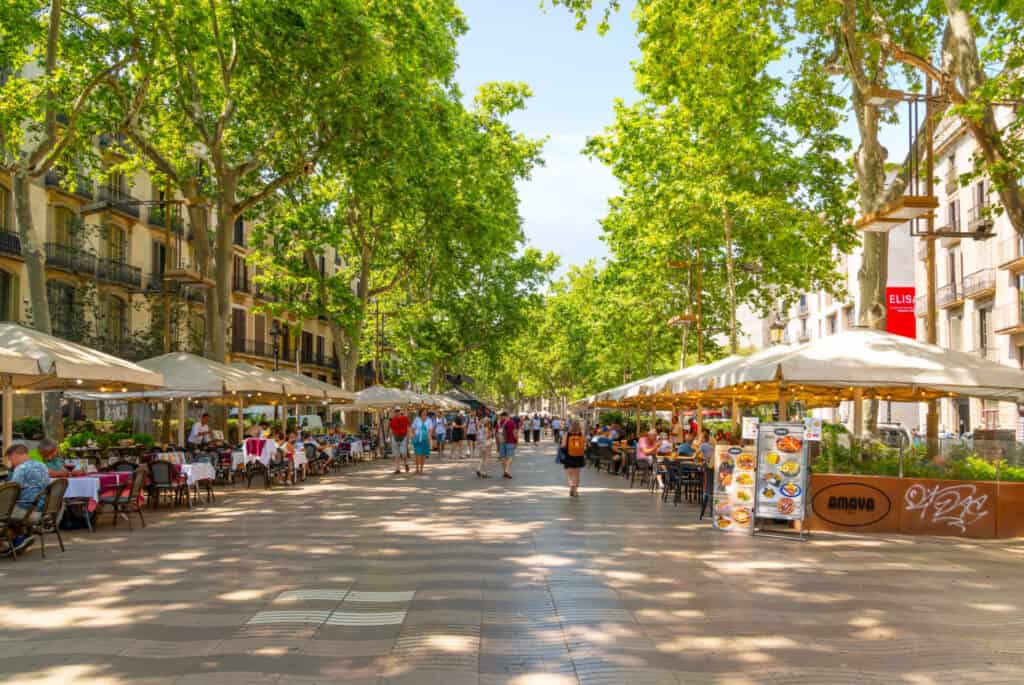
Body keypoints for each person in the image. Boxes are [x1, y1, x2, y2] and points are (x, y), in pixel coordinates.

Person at [4, 444, 51, 556]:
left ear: (15, 455)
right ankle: (20, 537)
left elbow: (12, 492)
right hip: (42, 508)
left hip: (28, 511)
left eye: (10, 459)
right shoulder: (42, 465)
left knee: (3, 511)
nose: (11, 463)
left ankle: (15, 539)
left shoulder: (21, 468)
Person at [561, 419, 586, 497]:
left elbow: (563, 445)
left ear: (570, 426)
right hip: (579, 456)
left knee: (570, 474)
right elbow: (585, 445)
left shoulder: (567, 434)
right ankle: (575, 489)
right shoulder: (581, 434)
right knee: (577, 474)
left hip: (569, 456)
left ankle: (571, 486)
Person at [389, 408, 411, 474]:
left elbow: (408, 428)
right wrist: (390, 439)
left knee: (403, 453)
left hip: (403, 437)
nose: (397, 412)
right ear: (394, 412)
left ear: (400, 411)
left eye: (398, 411)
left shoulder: (405, 418)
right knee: (396, 454)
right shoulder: (392, 420)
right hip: (395, 437)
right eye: (396, 411)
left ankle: (405, 464)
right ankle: (397, 469)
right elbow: (391, 430)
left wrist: (408, 438)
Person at [411, 408, 432, 474]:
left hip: (425, 439)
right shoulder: (417, 419)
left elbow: (430, 430)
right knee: (417, 454)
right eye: (423, 412)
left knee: (423, 454)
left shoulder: (429, 420)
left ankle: (421, 469)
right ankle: (417, 469)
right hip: (417, 439)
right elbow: (413, 428)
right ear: (420, 413)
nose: (424, 413)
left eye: (425, 412)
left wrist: (429, 437)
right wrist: (414, 436)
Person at [498, 411, 517, 478]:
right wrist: (516, 441)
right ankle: (507, 470)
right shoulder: (511, 422)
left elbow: (498, 433)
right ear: (507, 416)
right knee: (510, 457)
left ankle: (504, 472)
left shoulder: (500, 423)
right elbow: (514, 432)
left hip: (502, 441)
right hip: (510, 441)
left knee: (503, 457)